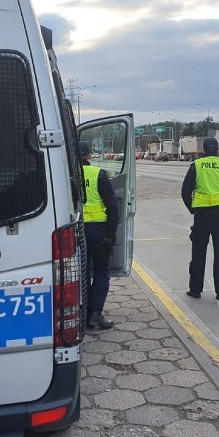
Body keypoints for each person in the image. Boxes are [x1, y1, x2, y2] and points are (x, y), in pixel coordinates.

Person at [181, 136, 219, 300]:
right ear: (218, 150)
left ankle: (195, 290)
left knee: (198, 254)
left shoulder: (196, 166)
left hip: (202, 217)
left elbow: (185, 191)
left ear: (203, 151)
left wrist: (193, 209)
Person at [81, 141, 119, 329]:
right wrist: (111, 233)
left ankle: (81, 312)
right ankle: (95, 314)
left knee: (81, 272)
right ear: (89, 155)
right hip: (98, 230)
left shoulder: (67, 175)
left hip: (75, 230)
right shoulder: (98, 174)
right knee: (102, 271)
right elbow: (112, 205)